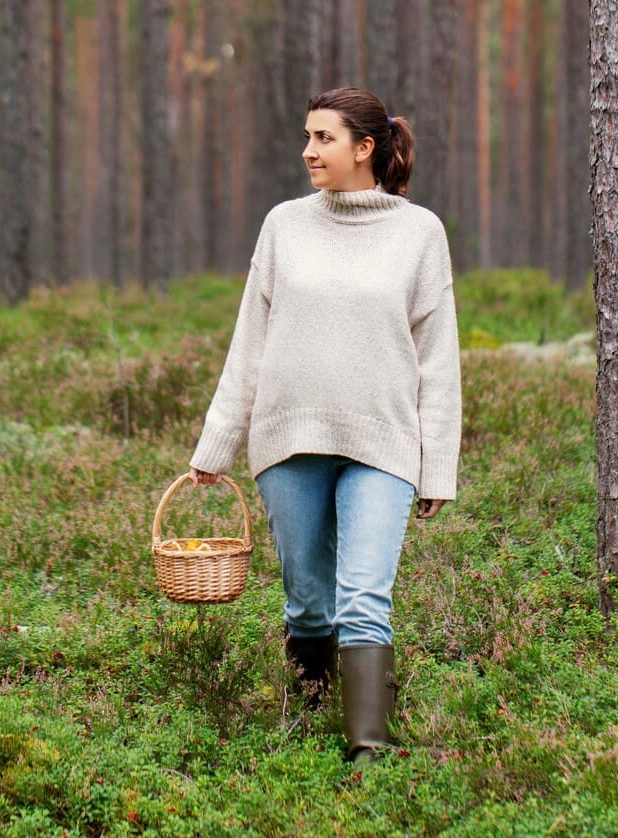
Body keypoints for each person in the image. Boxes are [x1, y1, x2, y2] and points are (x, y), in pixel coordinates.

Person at [187, 87, 461, 761]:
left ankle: (368, 751)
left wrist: (437, 466)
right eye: (306, 137)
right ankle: (310, 708)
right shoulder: (283, 225)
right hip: (289, 442)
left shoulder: (419, 233)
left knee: (365, 598)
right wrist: (216, 442)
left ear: (365, 148)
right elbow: (249, 341)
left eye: (323, 139)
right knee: (309, 604)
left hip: (383, 444)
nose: (308, 151)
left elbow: (438, 359)